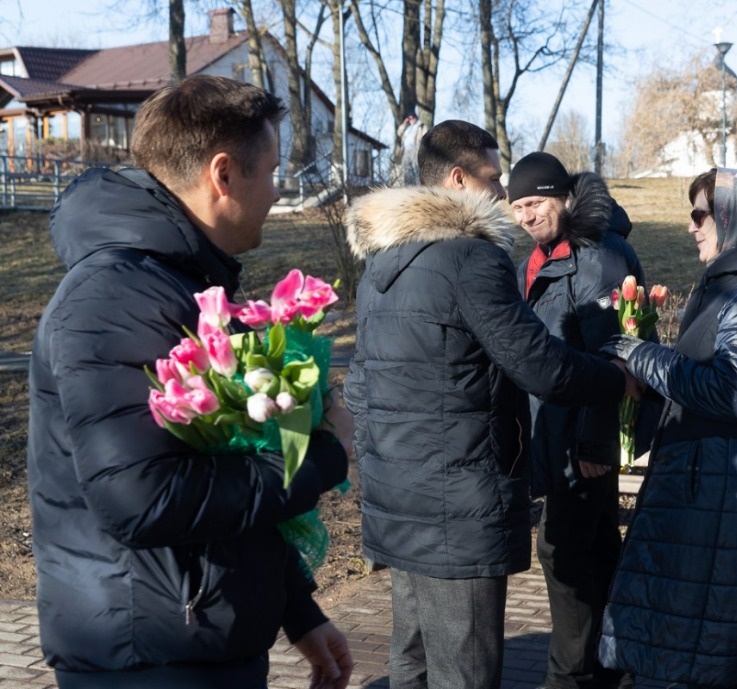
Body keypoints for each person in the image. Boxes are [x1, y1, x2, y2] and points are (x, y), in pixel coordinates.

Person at [27, 75, 355, 689]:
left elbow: (221, 465)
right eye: (272, 171)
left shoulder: (173, 284)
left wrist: (297, 610)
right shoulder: (117, 297)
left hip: (192, 638)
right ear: (223, 174)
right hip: (150, 658)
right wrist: (321, 456)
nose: (276, 190)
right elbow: (143, 498)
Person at [342, 120, 634, 689]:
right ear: (458, 179)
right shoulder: (470, 258)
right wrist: (616, 379)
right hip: (456, 502)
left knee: (411, 662)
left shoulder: (379, 263)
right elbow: (538, 365)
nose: (502, 194)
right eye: (494, 179)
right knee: (465, 670)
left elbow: (359, 384)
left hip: (395, 496)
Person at [597, 168, 737, 689]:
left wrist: (642, 357)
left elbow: (730, 390)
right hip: (706, 484)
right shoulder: (729, 281)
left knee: (712, 658)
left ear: (732, 217)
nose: (691, 226)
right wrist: (649, 378)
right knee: (693, 650)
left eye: (700, 215)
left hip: (725, 489)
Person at [509, 151, 641, 689]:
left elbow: (617, 355)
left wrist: (595, 442)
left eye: (535, 203)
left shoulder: (596, 256)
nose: (526, 216)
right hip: (557, 430)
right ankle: (614, 670)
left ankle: (569, 679)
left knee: (562, 552)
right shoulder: (544, 256)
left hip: (580, 437)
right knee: (597, 550)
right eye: (517, 206)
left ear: (563, 198)